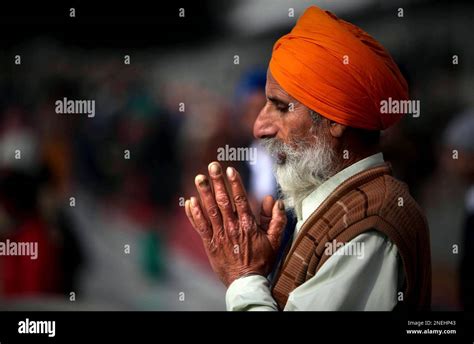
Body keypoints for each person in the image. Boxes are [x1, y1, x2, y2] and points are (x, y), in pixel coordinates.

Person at [184, 5, 431, 311]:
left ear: (335, 119)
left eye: (280, 106)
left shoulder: (368, 228)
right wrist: (270, 270)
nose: (259, 127)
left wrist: (244, 277)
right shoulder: (339, 204)